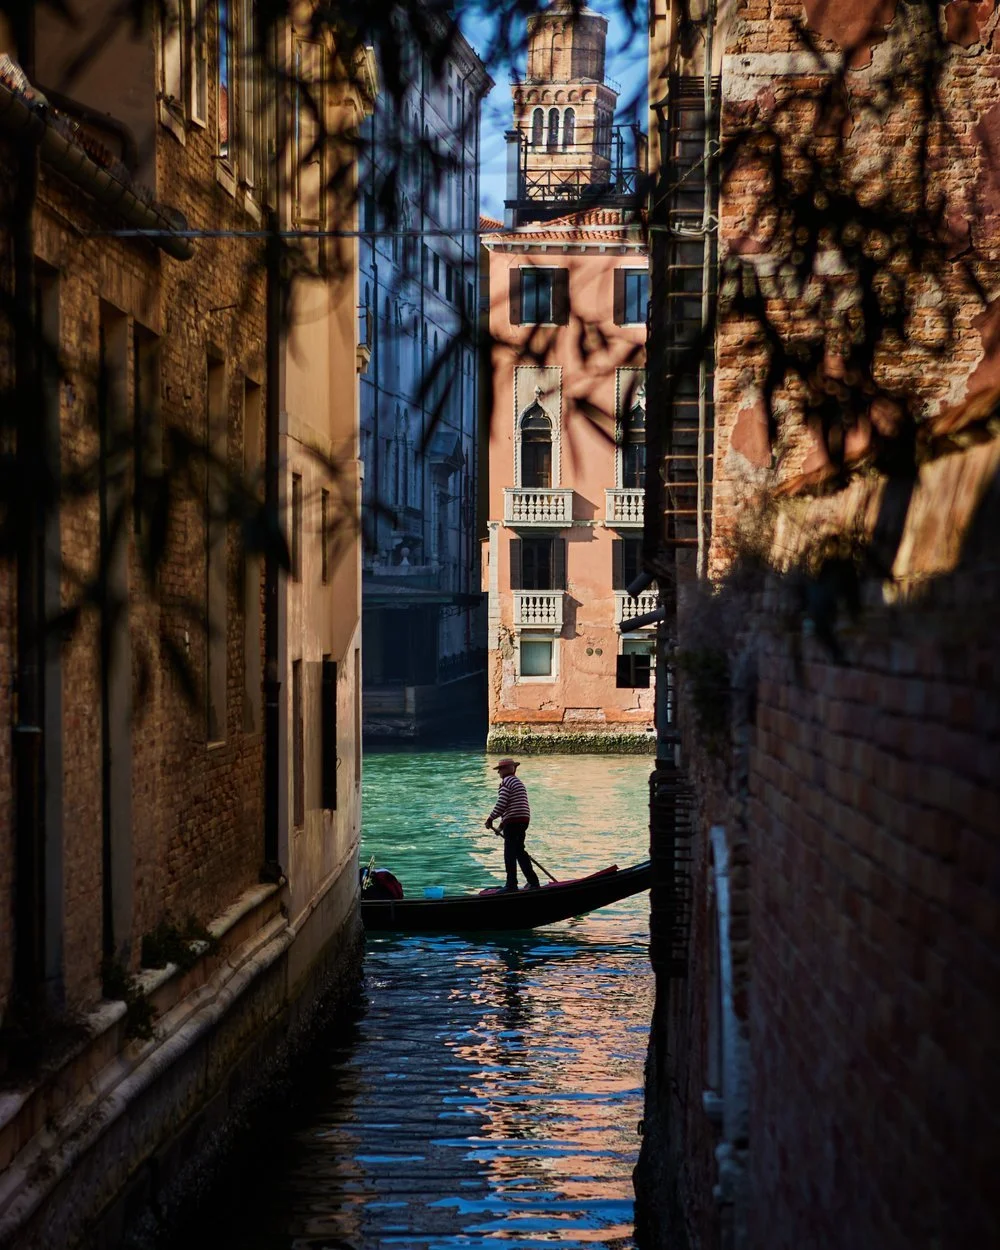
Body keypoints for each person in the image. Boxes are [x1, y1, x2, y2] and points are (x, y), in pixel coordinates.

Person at [485, 758, 540, 892]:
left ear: (505, 770)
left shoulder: (506, 782)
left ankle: (511, 884)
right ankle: (533, 882)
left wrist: (490, 818)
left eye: (500, 770)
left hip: (514, 822)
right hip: (522, 821)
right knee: (519, 852)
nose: (498, 773)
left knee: (509, 853)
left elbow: (502, 803)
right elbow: (512, 807)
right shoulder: (518, 782)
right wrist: (501, 826)